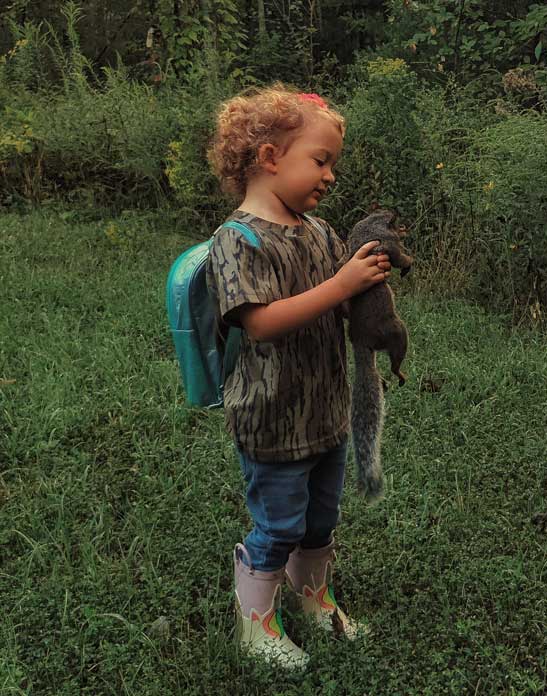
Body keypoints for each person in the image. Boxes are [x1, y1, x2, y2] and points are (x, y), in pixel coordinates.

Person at [205, 84, 391, 669]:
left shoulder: (318, 231)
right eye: (320, 160)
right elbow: (260, 323)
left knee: (320, 519)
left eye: (332, 163)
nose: (330, 175)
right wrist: (341, 285)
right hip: (273, 415)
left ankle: (313, 598)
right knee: (280, 523)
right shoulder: (238, 241)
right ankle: (254, 620)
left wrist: (366, 290)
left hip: (325, 409)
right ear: (269, 157)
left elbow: (338, 301)